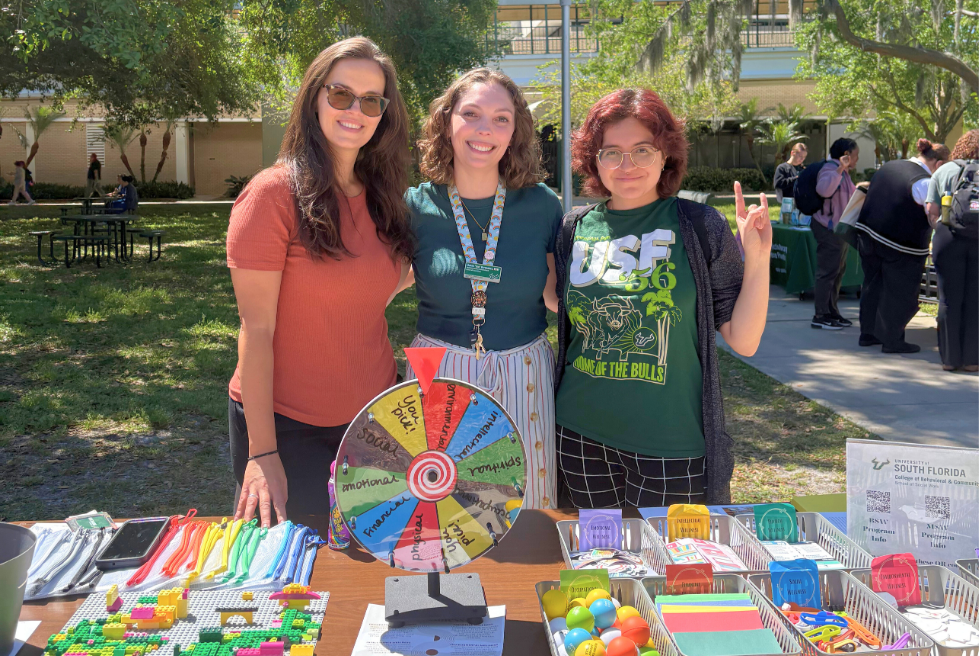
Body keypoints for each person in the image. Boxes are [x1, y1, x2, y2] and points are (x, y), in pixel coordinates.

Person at [227, 37, 414, 527]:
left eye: (372, 100)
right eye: (340, 94)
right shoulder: (270, 195)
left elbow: (380, 282)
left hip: (375, 421)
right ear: (314, 98)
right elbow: (256, 330)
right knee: (300, 586)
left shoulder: (383, 198)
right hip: (289, 428)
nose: (357, 109)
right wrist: (262, 453)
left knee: (375, 565)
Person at [553, 88, 771, 508]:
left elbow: (743, 339)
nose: (627, 165)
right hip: (578, 435)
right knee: (595, 567)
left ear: (665, 154)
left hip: (673, 444)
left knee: (668, 568)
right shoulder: (573, 228)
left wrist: (757, 258)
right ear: (593, 159)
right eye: (611, 152)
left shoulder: (699, 225)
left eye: (642, 150)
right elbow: (562, 307)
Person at [405, 68, 564, 509]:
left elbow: (556, 295)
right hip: (436, 367)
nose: (484, 130)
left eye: (501, 119)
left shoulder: (542, 205)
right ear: (446, 122)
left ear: (515, 132)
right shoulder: (416, 206)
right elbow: (375, 287)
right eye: (471, 114)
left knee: (523, 505)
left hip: (522, 368)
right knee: (440, 508)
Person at [855, 138, 947, 354]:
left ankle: (868, 333)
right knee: (900, 292)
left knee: (872, 286)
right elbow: (934, 213)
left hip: (868, 235)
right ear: (939, 165)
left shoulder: (889, 166)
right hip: (900, 245)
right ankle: (892, 339)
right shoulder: (923, 181)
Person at [925, 129, 978, 372]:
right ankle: (971, 360)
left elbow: (931, 211)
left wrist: (942, 229)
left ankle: (949, 359)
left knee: (948, 298)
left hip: (948, 236)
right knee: (974, 298)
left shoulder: (943, 170)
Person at [809, 138, 858, 330]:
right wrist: (839, 170)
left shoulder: (844, 174)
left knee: (837, 271)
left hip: (839, 229)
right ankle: (820, 315)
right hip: (827, 228)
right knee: (827, 272)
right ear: (846, 155)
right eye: (855, 155)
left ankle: (832, 311)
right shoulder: (830, 169)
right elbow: (824, 189)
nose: (857, 159)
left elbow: (851, 196)